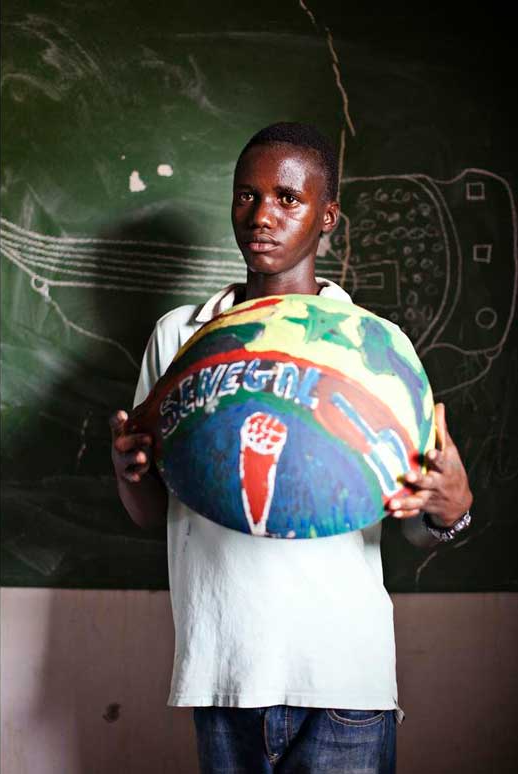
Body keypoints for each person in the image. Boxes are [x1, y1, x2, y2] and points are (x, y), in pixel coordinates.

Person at [110, 123, 473, 773]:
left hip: (342, 673)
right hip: (222, 670)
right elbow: (152, 514)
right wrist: (127, 471)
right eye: (244, 197)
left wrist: (452, 507)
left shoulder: (372, 347)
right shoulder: (181, 339)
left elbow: (416, 528)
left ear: (326, 215)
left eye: (286, 198)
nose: (260, 216)